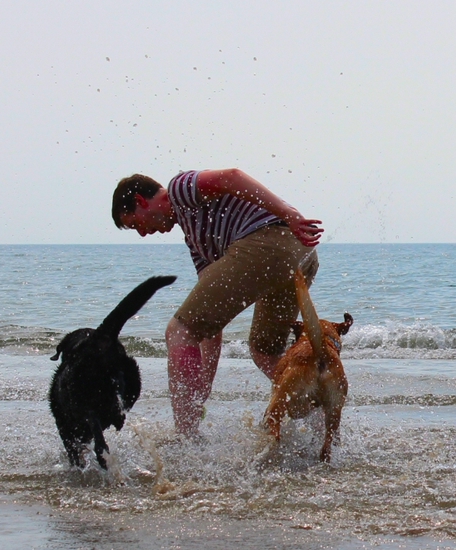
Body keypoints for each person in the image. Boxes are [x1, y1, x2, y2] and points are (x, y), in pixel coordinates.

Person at [112, 169, 323, 436]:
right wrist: (204, 384)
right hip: (301, 255)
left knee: (178, 331)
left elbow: (231, 177)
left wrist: (288, 213)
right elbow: (211, 322)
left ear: (141, 201)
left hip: (273, 240)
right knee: (265, 352)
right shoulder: (197, 243)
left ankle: (185, 440)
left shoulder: (178, 189)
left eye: (135, 224)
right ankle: (319, 422)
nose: (143, 233)